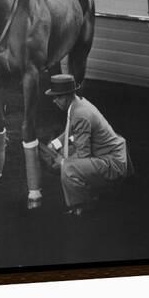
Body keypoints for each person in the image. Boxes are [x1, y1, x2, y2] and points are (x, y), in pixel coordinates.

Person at [39, 74, 131, 216]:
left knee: (68, 168)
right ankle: (89, 191)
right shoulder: (78, 104)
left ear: (66, 97)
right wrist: (55, 144)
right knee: (66, 152)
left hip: (113, 163)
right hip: (108, 153)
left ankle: (82, 206)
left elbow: (83, 154)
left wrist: (63, 162)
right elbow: (71, 131)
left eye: (56, 97)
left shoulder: (80, 114)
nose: (54, 101)